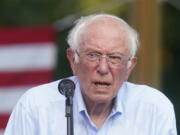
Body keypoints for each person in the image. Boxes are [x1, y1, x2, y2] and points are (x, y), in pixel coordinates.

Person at [4, 13, 177, 135]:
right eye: (92, 55)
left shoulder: (154, 108)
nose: (103, 68)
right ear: (73, 60)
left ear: (129, 67)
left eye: (114, 58)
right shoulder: (35, 106)